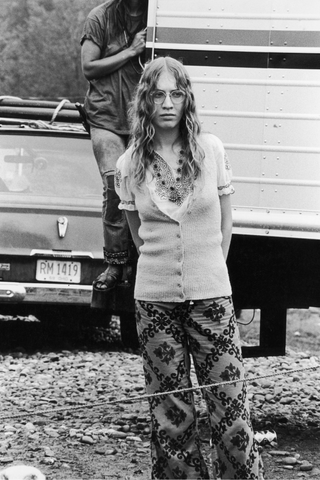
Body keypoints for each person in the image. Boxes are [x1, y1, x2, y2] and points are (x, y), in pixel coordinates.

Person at [115, 56, 264, 479]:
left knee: (230, 407)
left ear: (187, 100)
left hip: (212, 299)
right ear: (145, 100)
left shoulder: (211, 150)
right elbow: (138, 234)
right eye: (158, 94)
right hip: (154, 303)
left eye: (176, 93)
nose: (167, 103)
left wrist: (212, 270)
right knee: (170, 415)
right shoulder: (129, 165)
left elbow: (225, 223)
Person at [80, 0, 148, 291]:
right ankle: (115, 262)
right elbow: (89, 66)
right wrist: (131, 51)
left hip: (141, 119)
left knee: (144, 187)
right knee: (114, 181)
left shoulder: (157, 13)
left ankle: (142, 260)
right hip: (105, 116)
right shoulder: (100, 17)